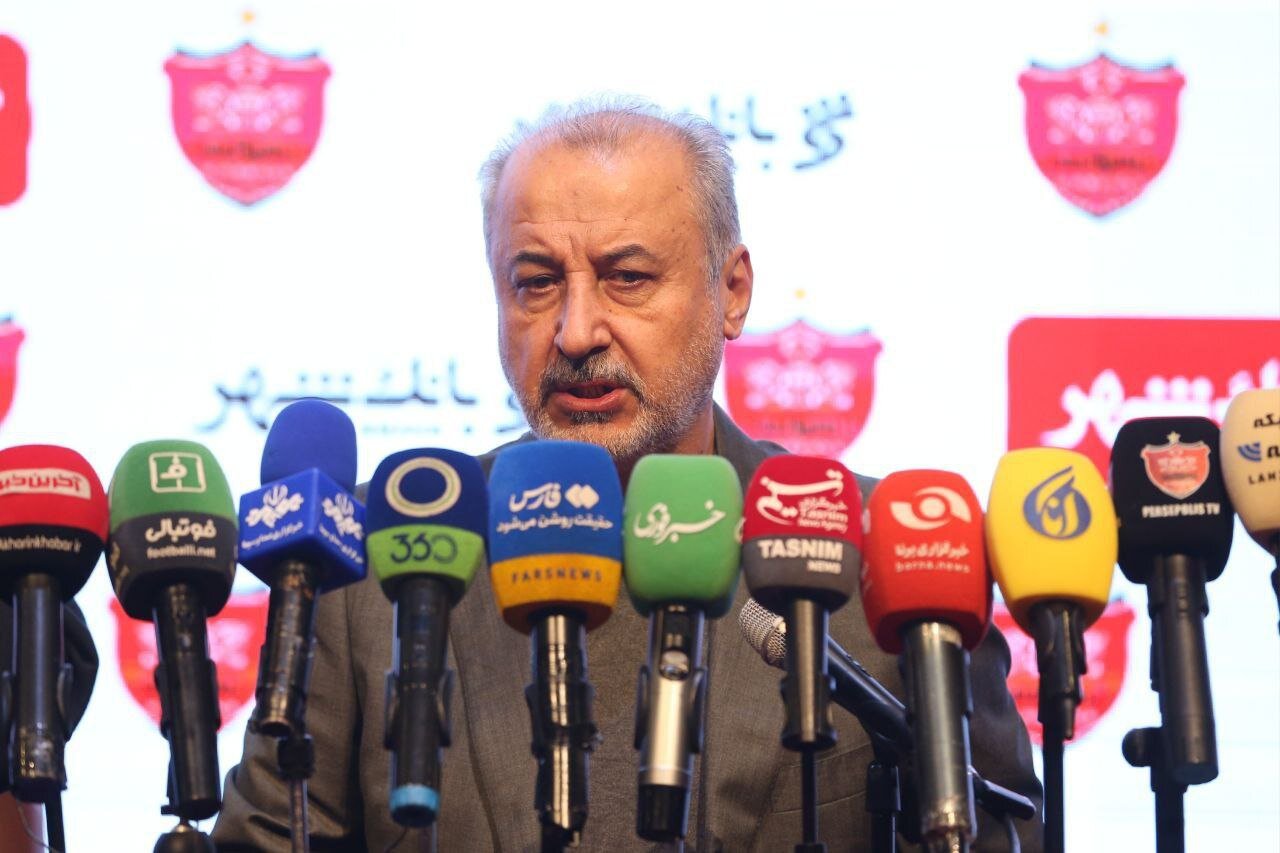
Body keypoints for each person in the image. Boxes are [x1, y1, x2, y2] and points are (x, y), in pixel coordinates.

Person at [213, 99, 1043, 851]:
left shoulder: (881, 554)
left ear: (732, 291)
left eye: (628, 277)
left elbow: (1007, 832)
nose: (576, 331)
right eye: (536, 283)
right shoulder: (372, 561)